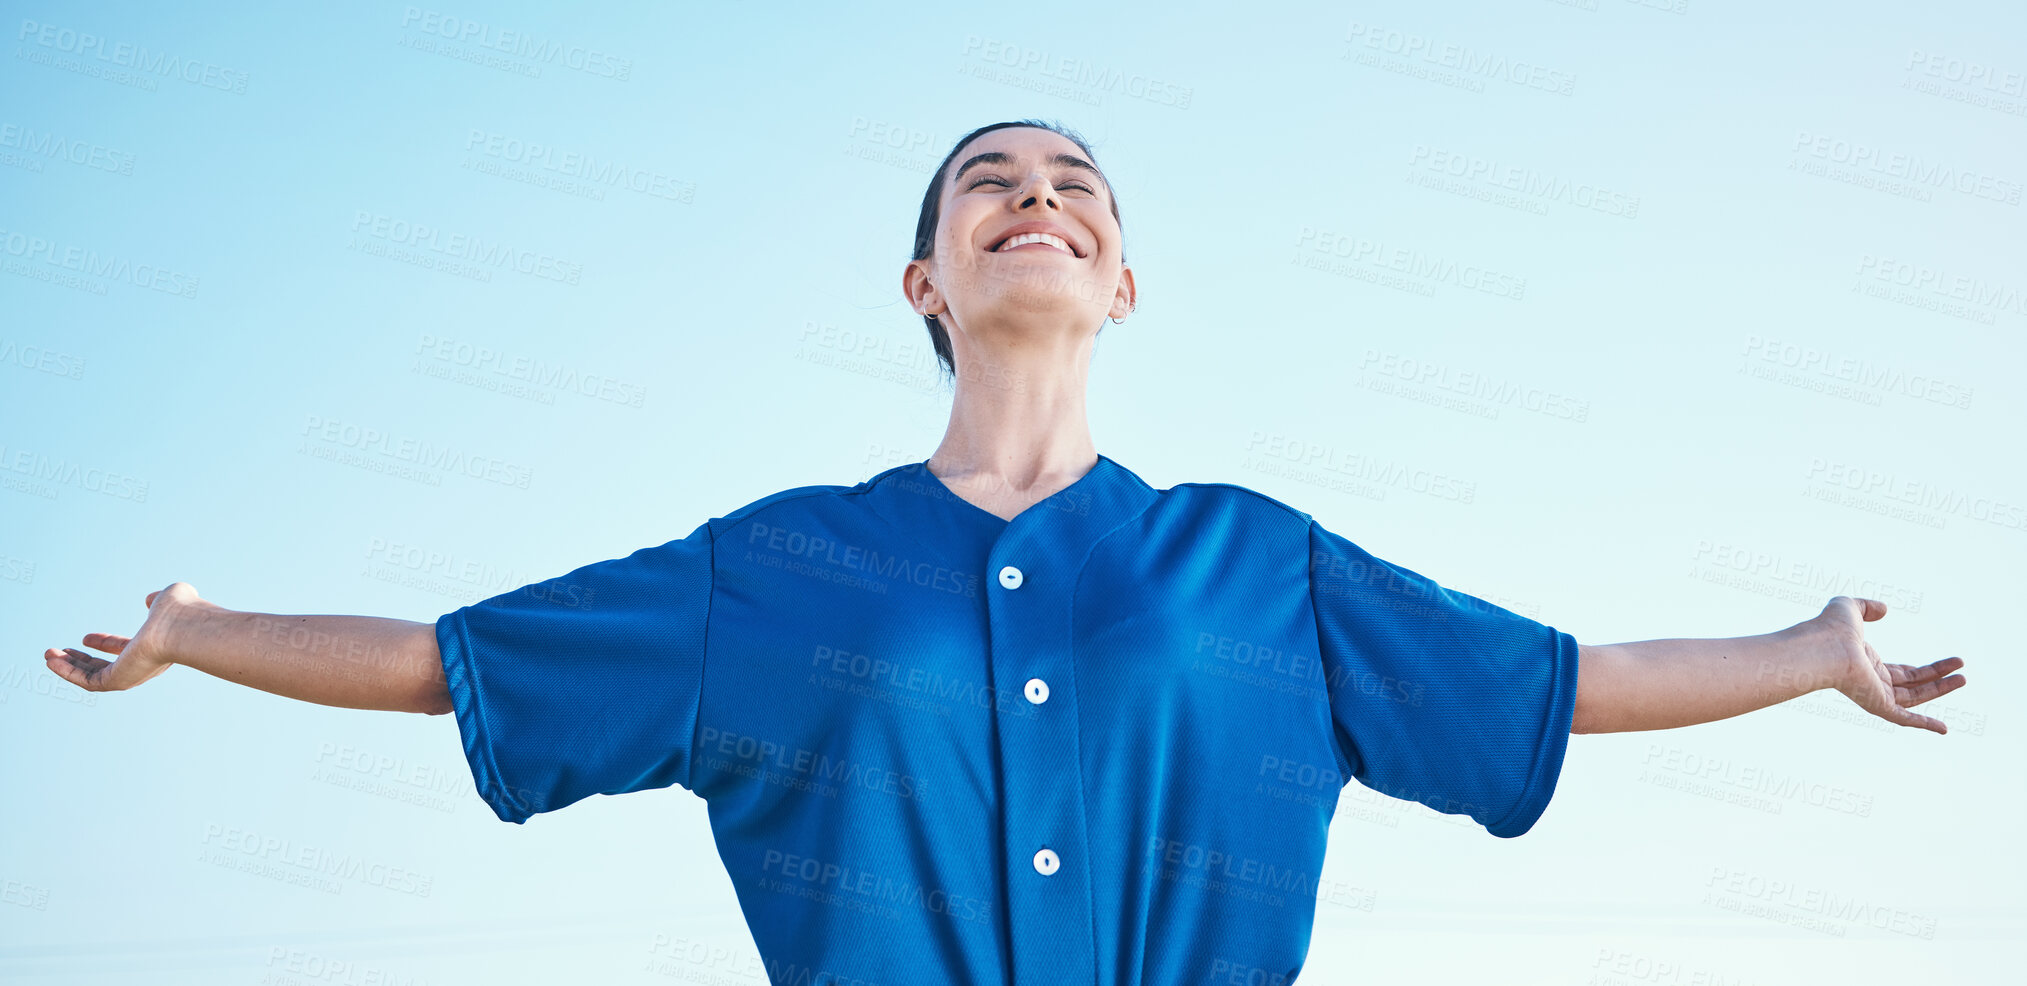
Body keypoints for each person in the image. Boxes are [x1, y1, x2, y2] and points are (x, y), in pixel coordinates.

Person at [44, 119, 1968, 985]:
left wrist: (1803, 651)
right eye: (990, 185)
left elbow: (1553, 685)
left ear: (1123, 282)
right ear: (927, 279)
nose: (1032, 202)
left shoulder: (1262, 568)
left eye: (1074, 192)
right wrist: (204, 633)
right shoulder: (770, 572)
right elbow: (452, 659)